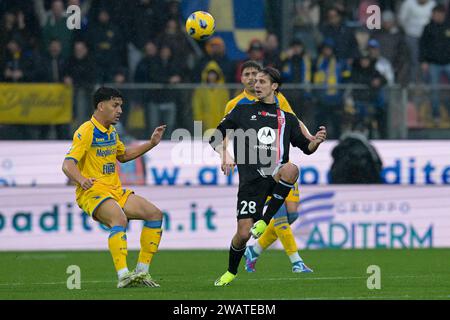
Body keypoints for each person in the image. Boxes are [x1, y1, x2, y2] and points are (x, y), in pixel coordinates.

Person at [210, 67, 326, 286]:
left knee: (291, 169)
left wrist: (315, 141)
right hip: (250, 181)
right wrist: (224, 153)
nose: (257, 85)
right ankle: (231, 271)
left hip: (275, 175)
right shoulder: (241, 111)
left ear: (274, 87)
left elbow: (306, 148)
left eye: (262, 81)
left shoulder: (286, 118)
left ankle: (264, 221)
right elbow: (216, 135)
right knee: (243, 234)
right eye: (255, 81)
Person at [62, 87, 166, 288]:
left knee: (155, 214)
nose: (119, 110)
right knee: (119, 218)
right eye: (115, 105)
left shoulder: (111, 131)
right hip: (92, 191)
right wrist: (82, 180)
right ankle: (123, 275)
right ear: (101, 106)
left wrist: (151, 143)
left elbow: (123, 155)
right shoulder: (86, 131)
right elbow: (67, 165)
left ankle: (142, 272)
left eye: (121, 106)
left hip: (115, 191)